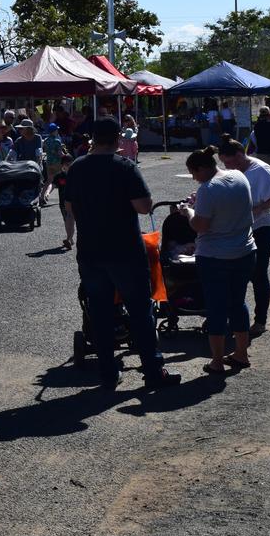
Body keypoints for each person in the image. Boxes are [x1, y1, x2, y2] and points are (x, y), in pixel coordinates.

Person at [64, 117, 180, 391]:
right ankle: (152, 371)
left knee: (101, 313)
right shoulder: (125, 167)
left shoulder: (78, 167)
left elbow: (69, 205)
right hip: (124, 250)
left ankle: (108, 373)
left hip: (90, 251)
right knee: (140, 312)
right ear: (118, 138)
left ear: (93, 139)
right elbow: (143, 207)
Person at [177, 146, 256, 375]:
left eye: (193, 173)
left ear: (202, 168)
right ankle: (241, 353)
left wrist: (188, 212)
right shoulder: (238, 176)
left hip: (215, 255)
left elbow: (200, 225)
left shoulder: (208, 189)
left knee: (217, 307)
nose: (194, 178)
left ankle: (217, 361)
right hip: (245, 250)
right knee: (238, 302)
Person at [217, 137, 270, 338]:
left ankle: (260, 321)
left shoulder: (260, 169)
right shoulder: (233, 171)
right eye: (223, 163)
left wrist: (259, 208)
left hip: (262, 227)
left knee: (258, 273)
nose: (226, 166)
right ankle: (235, 317)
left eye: (228, 162)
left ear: (240, 155)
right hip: (239, 228)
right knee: (235, 272)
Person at [40, 122, 67, 205]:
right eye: (56, 130)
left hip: (49, 162)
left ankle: (42, 195)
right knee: (57, 180)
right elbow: (60, 154)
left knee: (49, 180)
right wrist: (66, 155)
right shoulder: (57, 141)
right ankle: (48, 194)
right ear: (54, 131)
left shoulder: (46, 141)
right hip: (57, 163)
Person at [54, 155, 75, 250]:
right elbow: (52, 185)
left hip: (75, 202)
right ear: (62, 165)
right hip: (63, 203)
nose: (69, 166)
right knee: (67, 221)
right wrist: (46, 193)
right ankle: (70, 238)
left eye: (71, 163)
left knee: (70, 219)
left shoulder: (77, 175)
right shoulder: (59, 176)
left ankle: (68, 238)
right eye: (67, 164)